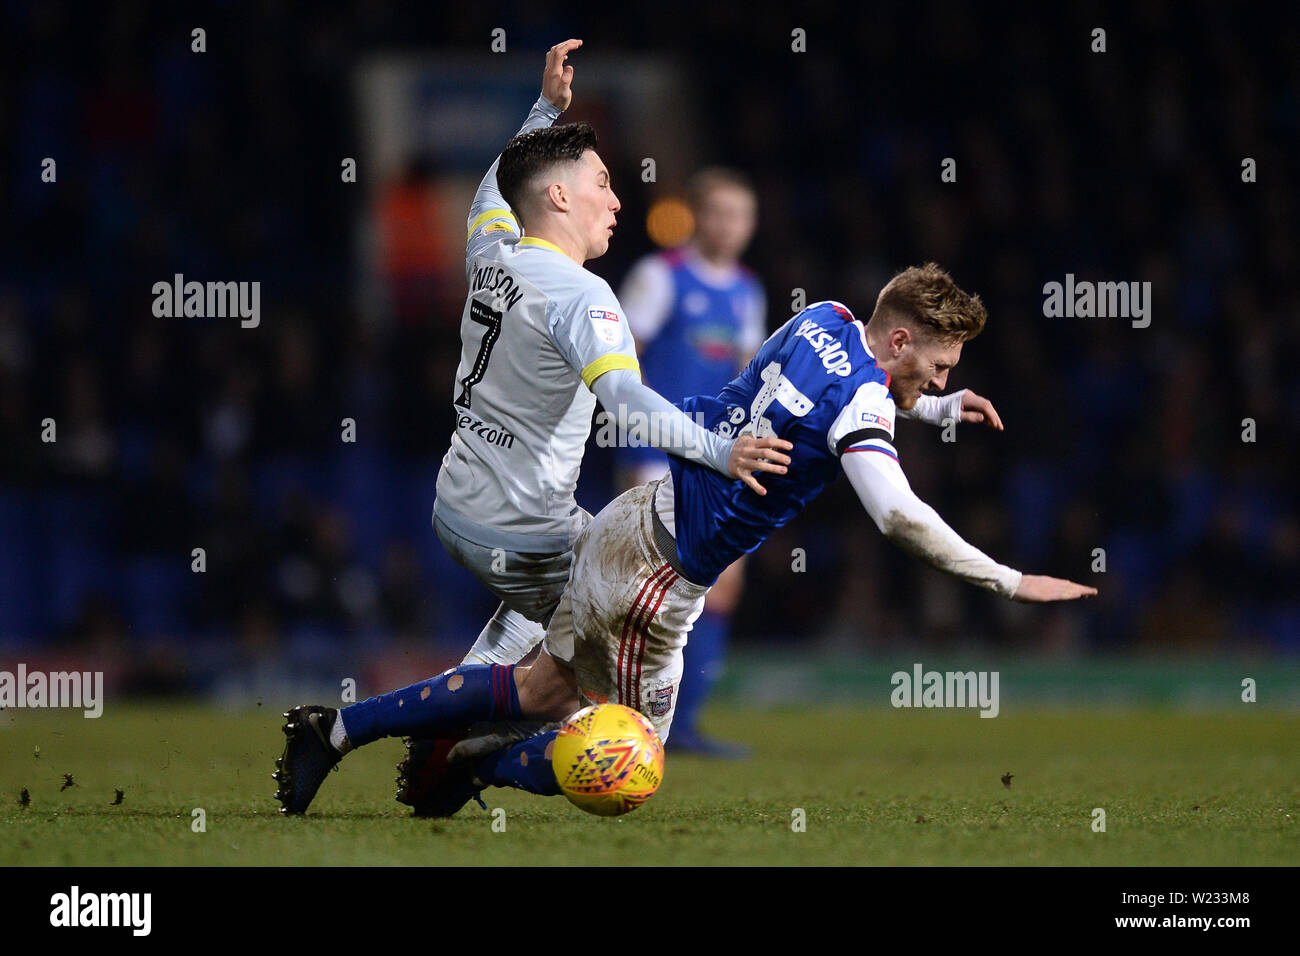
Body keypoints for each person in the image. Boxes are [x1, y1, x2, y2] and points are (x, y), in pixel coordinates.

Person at [275, 264, 1096, 816]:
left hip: (634, 514)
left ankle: (339, 729)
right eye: (941, 368)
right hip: (660, 582)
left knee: (539, 686)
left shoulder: (826, 318)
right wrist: (1008, 580)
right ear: (900, 342)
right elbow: (896, 514)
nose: (941, 382)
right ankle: (467, 765)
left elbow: (843, 398)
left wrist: (944, 410)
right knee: (632, 766)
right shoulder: (870, 402)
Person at [273, 40, 789, 816]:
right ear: (556, 197)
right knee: (614, 716)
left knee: (544, 636)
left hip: (467, 502)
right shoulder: (586, 298)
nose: (619, 200)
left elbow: (494, 181)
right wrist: (721, 448)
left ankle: (431, 742)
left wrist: (546, 110)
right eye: (603, 185)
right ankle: (414, 747)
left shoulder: (491, 247)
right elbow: (629, 406)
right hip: (524, 525)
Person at [616, 168, 766, 756]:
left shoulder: (747, 289)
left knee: (723, 586)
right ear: (697, 216)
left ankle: (684, 726)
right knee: (649, 585)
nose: (731, 227)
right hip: (659, 454)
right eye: (721, 213)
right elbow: (622, 363)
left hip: (721, 458)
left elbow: (750, 375)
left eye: (742, 216)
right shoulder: (660, 276)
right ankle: (616, 711)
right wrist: (636, 446)